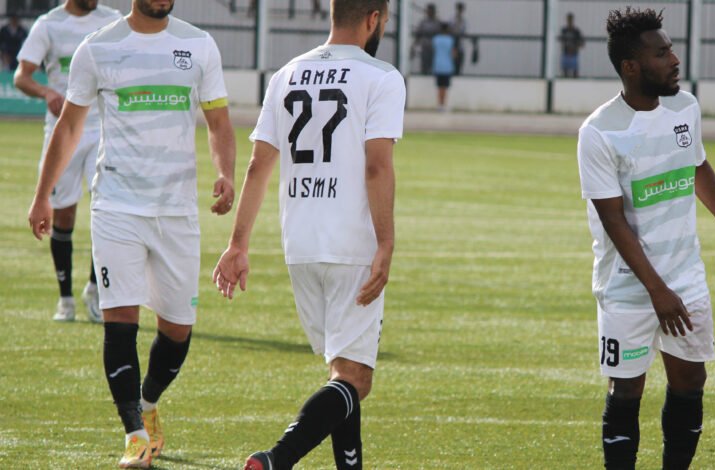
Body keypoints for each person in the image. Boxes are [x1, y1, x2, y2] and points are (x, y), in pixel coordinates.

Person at [27, 0, 236, 467]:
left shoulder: (199, 45)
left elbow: (219, 122)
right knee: (119, 320)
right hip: (117, 205)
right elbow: (69, 127)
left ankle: (147, 402)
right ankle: (135, 435)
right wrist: (44, 195)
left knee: (177, 330)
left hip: (176, 211)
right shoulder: (97, 48)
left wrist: (225, 173)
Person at [212, 0, 404, 468]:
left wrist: (238, 244)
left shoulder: (287, 74)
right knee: (354, 379)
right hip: (350, 243)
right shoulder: (381, 77)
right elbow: (377, 166)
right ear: (374, 19)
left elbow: (258, 166)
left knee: (342, 370)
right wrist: (385, 242)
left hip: (300, 243)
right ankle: (277, 459)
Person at [577, 8, 715, 470]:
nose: (675, 60)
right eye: (661, 54)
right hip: (626, 286)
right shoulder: (599, 132)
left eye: (671, 49)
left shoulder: (685, 107)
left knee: (690, 382)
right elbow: (614, 221)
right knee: (626, 390)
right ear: (631, 66)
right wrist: (657, 291)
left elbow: (697, 166)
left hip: (685, 277)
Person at [15, 0, 122, 324]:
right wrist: (46, 92)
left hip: (103, 129)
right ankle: (66, 299)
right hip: (64, 130)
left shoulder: (113, 20)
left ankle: (95, 289)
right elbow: (22, 77)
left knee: (108, 211)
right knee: (64, 214)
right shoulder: (48, 24)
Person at [432, 21, 455, 112]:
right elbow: (453, 53)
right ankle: (443, 104)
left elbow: (433, 50)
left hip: (437, 65)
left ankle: (439, 105)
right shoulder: (450, 40)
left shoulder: (436, 39)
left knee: (439, 87)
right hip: (447, 66)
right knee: (444, 87)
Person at [413, 3, 439, 75]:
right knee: (424, 65)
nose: (430, 13)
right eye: (428, 11)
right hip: (425, 47)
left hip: (434, 48)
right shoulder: (423, 22)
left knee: (433, 66)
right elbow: (418, 34)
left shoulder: (437, 23)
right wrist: (414, 46)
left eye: (431, 11)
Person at [560, 12, 584, 78]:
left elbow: (581, 43)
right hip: (566, 53)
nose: (569, 21)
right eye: (568, 19)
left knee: (575, 72)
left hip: (574, 54)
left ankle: (575, 82)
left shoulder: (576, 31)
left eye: (570, 19)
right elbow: (562, 41)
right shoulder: (564, 30)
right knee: (565, 71)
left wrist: (575, 47)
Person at [449, 2, 466, 75]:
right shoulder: (452, 19)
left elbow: (464, 32)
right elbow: (450, 30)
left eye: (461, 9)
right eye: (459, 9)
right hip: (453, 46)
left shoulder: (464, 21)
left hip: (460, 46)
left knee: (459, 64)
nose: (460, 11)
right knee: (453, 63)